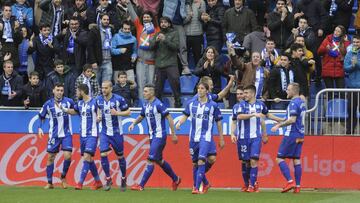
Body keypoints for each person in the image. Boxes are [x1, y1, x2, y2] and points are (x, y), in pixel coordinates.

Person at [129, 84, 181, 191]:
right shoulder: (145, 105)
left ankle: (141, 185)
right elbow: (141, 116)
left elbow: (169, 117)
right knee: (159, 160)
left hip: (159, 136)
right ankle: (176, 179)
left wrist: (173, 134)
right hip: (152, 136)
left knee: (150, 159)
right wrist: (134, 123)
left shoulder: (158, 104)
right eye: (144, 91)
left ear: (152, 93)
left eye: (146, 91)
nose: (144, 93)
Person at [176, 82, 225, 194]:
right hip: (193, 138)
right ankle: (205, 183)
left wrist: (221, 138)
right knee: (195, 164)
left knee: (201, 160)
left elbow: (218, 122)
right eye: (198, 88)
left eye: (202, 88)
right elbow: (185, 115)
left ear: (207, 91)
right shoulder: (191, 104)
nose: (199, 90)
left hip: (205, 137)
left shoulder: (213, 105)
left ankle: (196, 188)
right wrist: (179, 123)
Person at [63, 84, 103, 190]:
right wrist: (64, 109)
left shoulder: (95, 102)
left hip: (92, 134)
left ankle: (80, 183)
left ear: (82, 91)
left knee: (86, 156)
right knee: (89, 159)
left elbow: (99, 112)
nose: (76, 94)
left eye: (77, 91)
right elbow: (74, 112)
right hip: (82, 135)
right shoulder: (79, 103)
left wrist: (99, 117)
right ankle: (98, 181)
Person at [38, 83, 75, 189]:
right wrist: (40, 128)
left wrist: (68, 111)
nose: (59, 92)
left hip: (66, 134)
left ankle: (63, 177)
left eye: (61, 90)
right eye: (57, 90)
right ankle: (49, 182)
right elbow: (41, 116)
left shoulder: (69, 102)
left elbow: (76, 111)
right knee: (50, 157)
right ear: (53, 91)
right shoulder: (48, 104)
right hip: (54, 135)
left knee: (68, 155)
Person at [271, 82, 307, 193]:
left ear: (293, 91)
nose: (286, 91)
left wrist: (278, 126)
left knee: (279, 158)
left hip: (291, 134)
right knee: (296, 159)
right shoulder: (302, 102)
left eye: (288, 89)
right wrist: (275, 119)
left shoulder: (293, 103)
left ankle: (290, 181)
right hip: (300, 134)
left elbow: (292, 120)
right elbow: (289, 118)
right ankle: (298, 186)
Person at [96, 80, 131, 191]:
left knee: (120, 156)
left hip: (117, 133)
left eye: (106, 88)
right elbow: (98, 110)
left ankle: (124, 178)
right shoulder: (99, 100)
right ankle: (108, 178)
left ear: (111, 88)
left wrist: (117, 113)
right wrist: (98, 116)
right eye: (102, 88)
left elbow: (128, 112)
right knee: (103, 154)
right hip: (105, 132)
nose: (103, 90)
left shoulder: (119, 99)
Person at [149, 17, 182, 108]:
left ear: (169, 24)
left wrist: (165, 40)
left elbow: (176, 47)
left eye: (165, 22)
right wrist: (155, 41)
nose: (163, 24)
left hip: (171, 64)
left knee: (175, 82)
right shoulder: (157, 34)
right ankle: (158, 105)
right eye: (161, 22)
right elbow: (150, 47)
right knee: (158, 88)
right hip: (159, 64)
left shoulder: (174, 33)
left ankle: (178, 102)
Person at [87, 14, 114, 85]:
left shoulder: (111, 30)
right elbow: (90, 46)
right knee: (96, 84)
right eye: (104, 19)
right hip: (97, 62)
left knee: (107, 84)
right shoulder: (94, 30)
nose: (106, 21)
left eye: (108, 20)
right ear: (100, 20)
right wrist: (93, 61)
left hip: (108, 61)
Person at [344, 35, 360, 134]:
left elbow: (357, 64)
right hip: (351, 87)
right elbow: (345, 68)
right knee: (351, 110)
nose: (355, 44)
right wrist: (353, 66)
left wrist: (356, 64)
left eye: (357, 42)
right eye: (354, 42)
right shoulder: (349, 54)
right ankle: (349, 131)